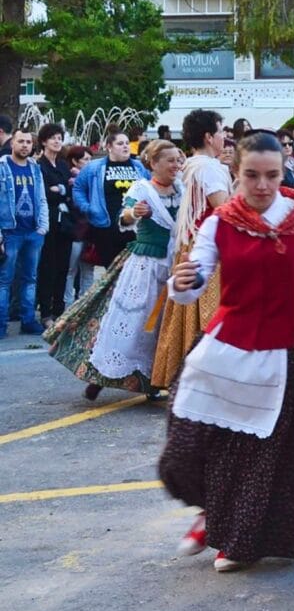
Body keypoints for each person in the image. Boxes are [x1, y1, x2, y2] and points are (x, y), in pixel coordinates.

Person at [158, 132, 294, 574]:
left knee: (262, 457)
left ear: (284, 173)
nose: (262, 185)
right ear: (235, 174)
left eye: (272, 175)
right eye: (252, 175)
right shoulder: (221, 221)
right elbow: (194, 279)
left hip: (285, 352)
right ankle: (211, 511)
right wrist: (181, 286)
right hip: (223, 347)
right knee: (184, 443)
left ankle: (236, 540)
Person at [47, 140, 183, 400]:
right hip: (145, 266)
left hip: (173, 265)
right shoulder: (142, 187)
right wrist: (135, 213)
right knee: (132, 323)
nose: (176, 165)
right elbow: (124, 217)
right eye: (171, 161)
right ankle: (101, 376)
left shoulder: (182, 189)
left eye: (179, 160)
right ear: (153, 164)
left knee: (163, 326)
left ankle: (153, 380)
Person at [149, 110, 234, 391]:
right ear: (209, 137)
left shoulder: (191, 165)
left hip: (189, 242)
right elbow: (224, 208)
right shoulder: (210, 167)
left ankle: (181, 375)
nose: (225, 137)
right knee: (210, 313)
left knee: (185, 315)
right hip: (209, 245)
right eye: (221, 131)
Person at [72, 131, 147, 274]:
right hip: (105, 227)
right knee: (112, 272)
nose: (125, 147)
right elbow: (78, 188)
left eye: (126, 143)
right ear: (109, 147)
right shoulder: (94, 167)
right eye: (120, 144)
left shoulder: (138, 167)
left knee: (134, 272)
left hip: (135, 227)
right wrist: (88, 207)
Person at [0, 130, 49, 338]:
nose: (25, 145)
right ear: (12, 143)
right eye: (21, 141)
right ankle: (1, 324)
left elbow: (41, 198)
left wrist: (42, 227)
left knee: (30, 278)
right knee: (5, 280)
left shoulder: (35, 168)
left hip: (33, 232)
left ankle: (28, 320)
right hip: (10, 232)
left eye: (29, 142)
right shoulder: (2, 168)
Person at [36, 124, 73, 326]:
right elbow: (44, 193)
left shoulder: (63, 165)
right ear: (44, 141)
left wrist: (59, 189)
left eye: (59, 137)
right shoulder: (39, 166)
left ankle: (60, 310)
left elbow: (69, 190)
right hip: (49, 222)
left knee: (63, 267)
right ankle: (46, 312)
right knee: (48, 267)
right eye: (53, 138)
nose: (57, 141)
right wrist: (61, 189)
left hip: (65, 224)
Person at [63, 146, 95, 308]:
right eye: (86, 160)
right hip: (76, 231)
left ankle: (85, 306)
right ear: (75, 161)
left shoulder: (93, 180)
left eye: (91, 159)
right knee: (71, 270)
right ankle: (68, 306)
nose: (89, 163)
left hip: (90, 231)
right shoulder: (71, 181)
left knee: (88, 270)